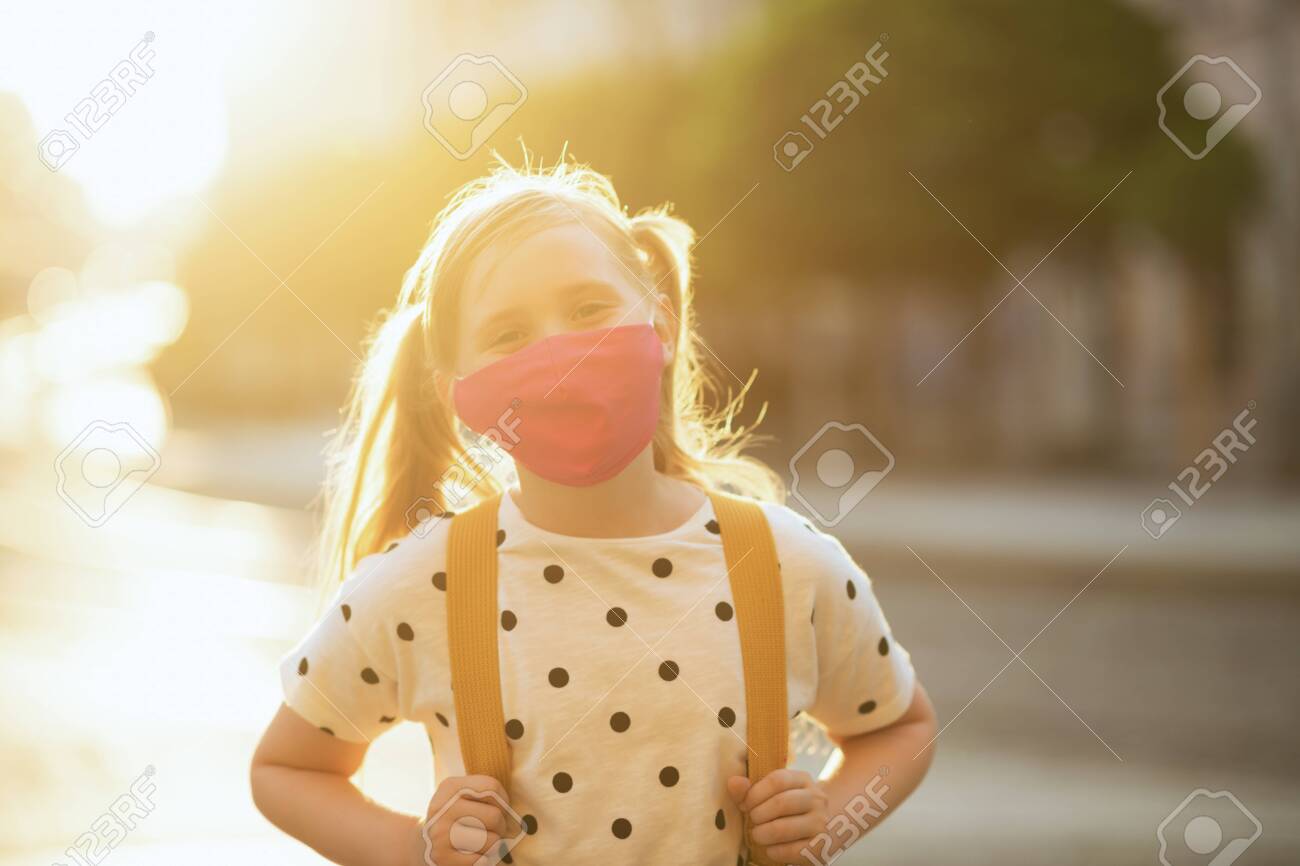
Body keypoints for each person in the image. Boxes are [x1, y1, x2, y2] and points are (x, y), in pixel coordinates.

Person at [249, 158, 937, 866]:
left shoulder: (787, 562)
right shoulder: (423, 583)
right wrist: (419, 850)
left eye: (587, 310)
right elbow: (286, 770)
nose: (561, 353)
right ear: (463, 392)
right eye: (510, 334)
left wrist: (828, 819)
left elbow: (901, 727)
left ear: (661, 326)